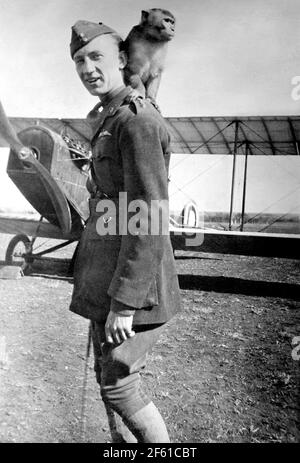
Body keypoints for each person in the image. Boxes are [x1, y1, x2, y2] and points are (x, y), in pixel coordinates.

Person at [69, 20, 181, 443]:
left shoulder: (137, 120)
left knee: (118, 385)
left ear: (121, 59)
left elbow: (149, 217)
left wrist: (125, 305)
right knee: (108, 376)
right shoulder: (111, 116)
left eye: (96, 57)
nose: (87, 68)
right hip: (108, 276)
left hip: (134, 287)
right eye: (80, 60)